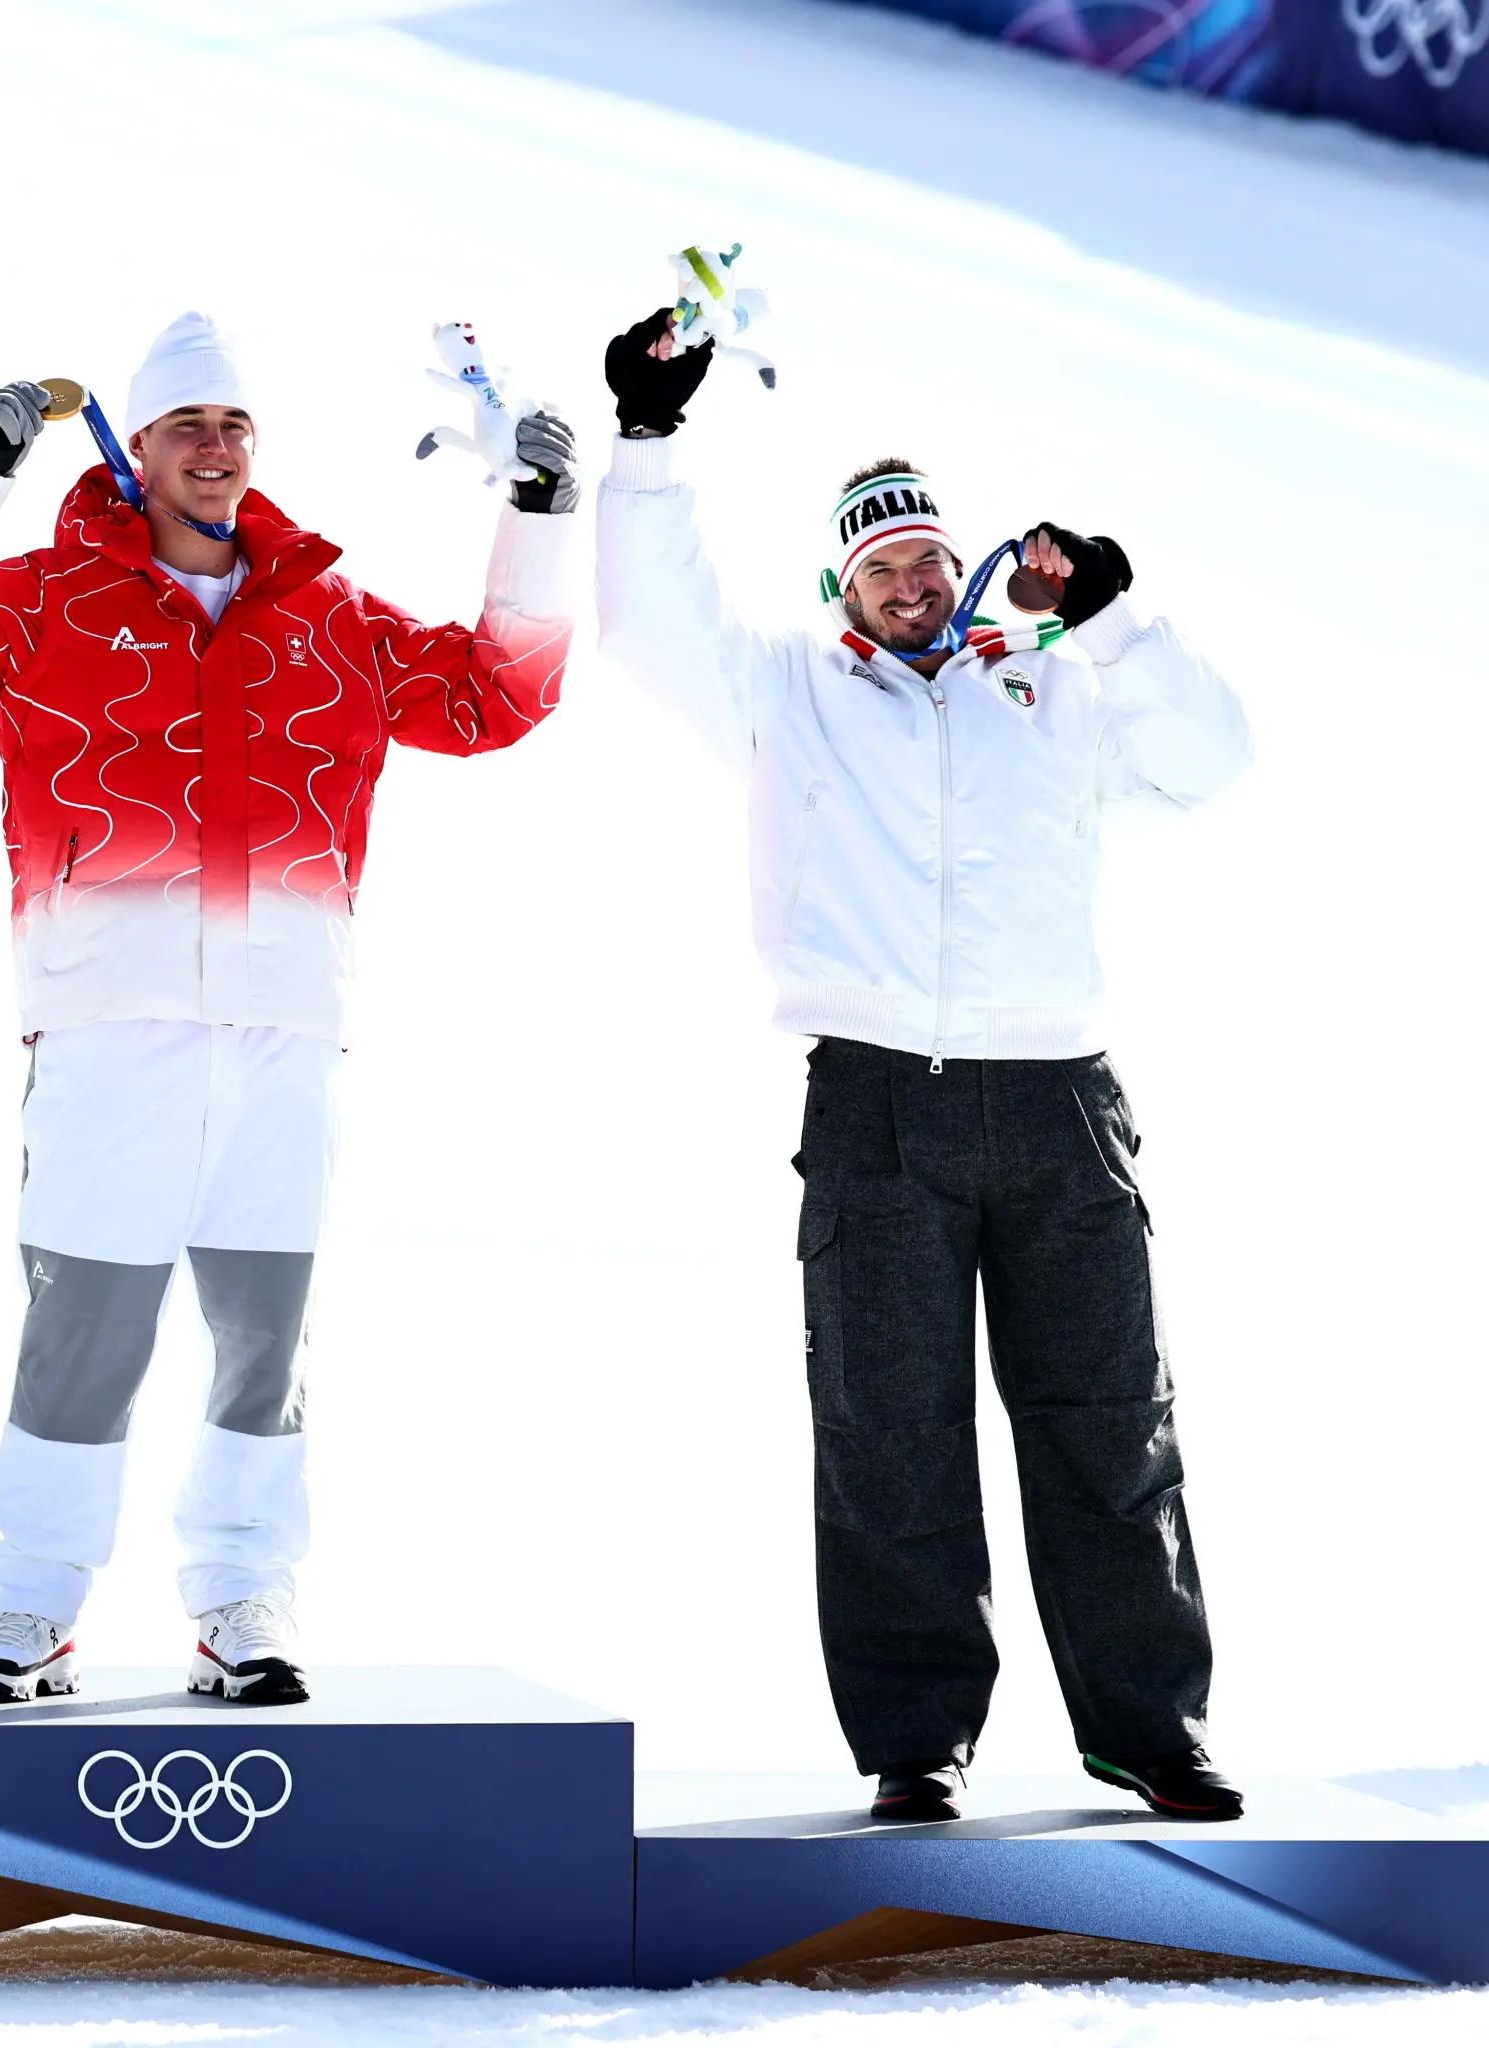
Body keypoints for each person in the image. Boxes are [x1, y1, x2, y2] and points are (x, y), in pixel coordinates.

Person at [0, 312, 581, 1705]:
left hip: (282, 1037)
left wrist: (540, 514)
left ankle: (244, 1595)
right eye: (187, 423)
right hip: (106, 1029)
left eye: (235, 424)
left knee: (263, 1343)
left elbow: (500, 696)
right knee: (85, 1333)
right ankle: (32, 1605)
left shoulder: (333, 618)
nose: (216, 446)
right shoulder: (47, 599)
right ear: (136, 450)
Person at [594, 309, 1254, 1822]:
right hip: (880, 1097)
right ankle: (916, 1740)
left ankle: (1151, 1728)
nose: (912, 583)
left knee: (1109, 1419)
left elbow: (1211, 764)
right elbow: (650, 622)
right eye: (881, 565)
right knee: (887, 1425)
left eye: (931, 561)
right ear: (842, 587)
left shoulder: (1053, 687)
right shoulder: (787, 692)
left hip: (1062, 1099)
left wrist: (1112, 624)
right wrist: (646, 443)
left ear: (963, 571)